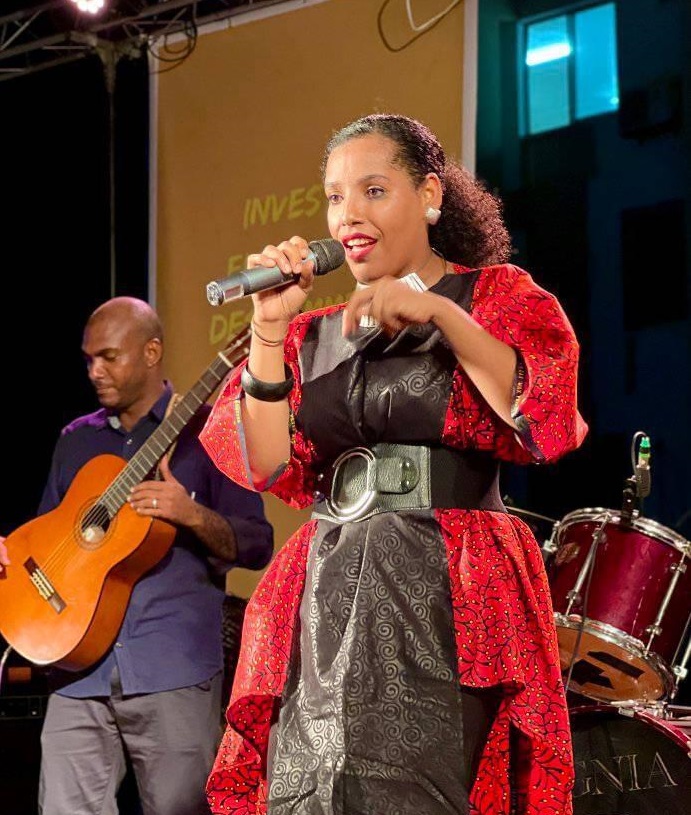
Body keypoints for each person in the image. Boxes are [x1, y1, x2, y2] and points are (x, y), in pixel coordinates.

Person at [200, 113, 588, 815]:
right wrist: (266, 326)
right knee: (307, 792)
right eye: (334, 196)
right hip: (325, 586)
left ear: (431, 195)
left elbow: (538, 412)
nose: (349, 213)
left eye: (373, 190)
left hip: (442, 586)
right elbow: (262, 462)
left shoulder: (494, 297)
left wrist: (440, 315)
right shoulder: (312, 333)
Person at [0, 296, 274, 815]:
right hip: (78, 670)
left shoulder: (210, 435)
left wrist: (191, 515)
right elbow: (46, 539)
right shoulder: (75, 441)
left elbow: (258, 544)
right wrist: (13, 555)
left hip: (170, 666)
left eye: (108, 357)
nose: (94, 371)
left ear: (152, 352)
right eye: (88, 360)